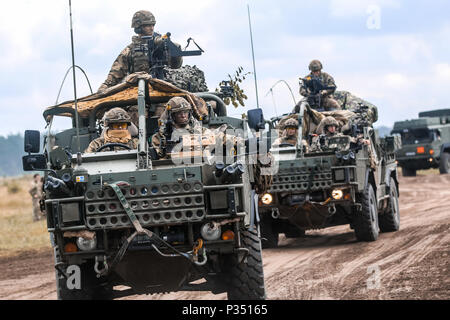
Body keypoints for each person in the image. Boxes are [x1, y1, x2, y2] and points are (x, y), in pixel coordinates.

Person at [97, 10, 183, 93]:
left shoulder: (161, 45)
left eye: (153, 25)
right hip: (139, 93)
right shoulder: (130, 50)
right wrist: (102, 90)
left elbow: (176, 65)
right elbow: (114, 75)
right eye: (147, 25)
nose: (151, 28)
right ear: (138, 28)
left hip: (163, 91)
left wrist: (174, 50)